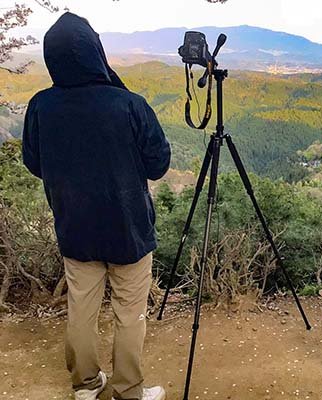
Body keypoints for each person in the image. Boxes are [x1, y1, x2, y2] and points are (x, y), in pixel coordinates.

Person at [22, 12, 171, 400]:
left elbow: (34, 162)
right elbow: (159, 163)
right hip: (129, 229)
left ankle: (86, 385)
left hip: (75, 225)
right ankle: (128, 389)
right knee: (129, 312)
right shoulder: (129, 104)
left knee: (81, 309)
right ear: (97, 52)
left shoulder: (41, 105)